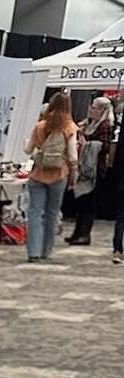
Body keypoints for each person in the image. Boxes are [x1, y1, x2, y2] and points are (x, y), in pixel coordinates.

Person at [24, 91, 78, 262]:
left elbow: (28, 150)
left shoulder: (40, 126)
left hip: (37, 173)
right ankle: (46, 250)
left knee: (34, 212)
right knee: (52, 213)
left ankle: (33, 251)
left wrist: (25, 142)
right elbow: (73, 155)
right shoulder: (70, 128)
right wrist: (74, 172)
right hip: (58, 174)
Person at [66, 95, 113, 245]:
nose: (90, 110)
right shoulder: (90, 123)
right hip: (84, 166)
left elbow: (105, 146)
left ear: (101, 110)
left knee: (88, 202)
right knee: (81, 200)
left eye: (93, 108)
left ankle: (85, 234)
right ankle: (77, 232)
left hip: (94, 168)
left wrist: (87, 143)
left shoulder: (104, 125)